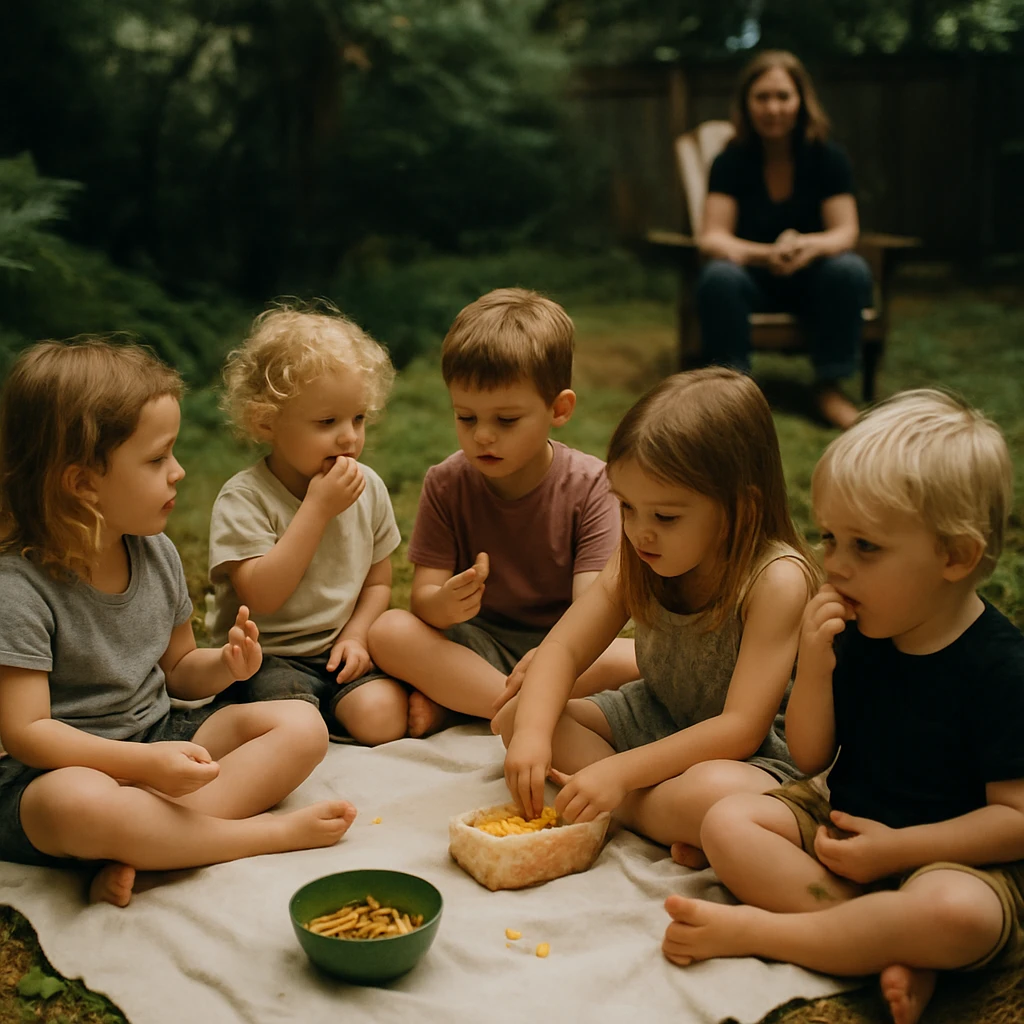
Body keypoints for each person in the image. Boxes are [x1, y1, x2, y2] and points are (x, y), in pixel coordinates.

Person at [663, 390, 1023, 1024]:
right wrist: (815, 666)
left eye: (866, 547)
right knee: (726, 824)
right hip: (845, 820)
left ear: (956, 557)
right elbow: (809, 755)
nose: (834, 565)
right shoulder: (859, 629)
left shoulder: (1001, 667)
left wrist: (899, 851)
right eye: (830, 538)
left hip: (955, 857)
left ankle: (764, 933)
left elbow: (1015, 820)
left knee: (956, 914)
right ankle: (883, 941)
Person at [0, 339, 355, 907]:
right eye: (156, 458)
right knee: (80, 803)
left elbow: (181, 672)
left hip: (160, 738)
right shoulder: (18, 590)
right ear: (83, 484)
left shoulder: (154, 552)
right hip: (57, 773)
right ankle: (245, 837)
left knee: (302, 726)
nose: (179, 472)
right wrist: (142, 765)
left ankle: (146, 841)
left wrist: (225, 666)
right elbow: (27, 733)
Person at [496, 368, 816, 862]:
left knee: (713, 794)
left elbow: (740, 728)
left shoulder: (775, 581)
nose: (640, 532)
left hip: (751, 756)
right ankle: (663, 820)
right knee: (518, 716)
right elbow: (564, 646)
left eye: (666, 516)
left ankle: (633, 810)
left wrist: (617, 776)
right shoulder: (637, 553)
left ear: (742, 509)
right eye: (626, 507)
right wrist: (535, 736)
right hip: (659, 716)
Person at [367, 287, 637, 738]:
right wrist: (444, 603)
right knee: (389, 631)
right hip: (478, 647)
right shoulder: (446, 482)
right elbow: (423, 600)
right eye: (466, 418)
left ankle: (470, 705)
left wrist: (552, 661)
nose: (483, 437)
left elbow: (592, 611)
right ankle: (526, 710)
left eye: (506, 420)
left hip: (568, 652)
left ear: (559, 409)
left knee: (638, 659)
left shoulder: (594, 486)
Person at [207, 303, 405, 746]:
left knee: (383, 720)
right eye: (327, 422)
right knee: (293, 722)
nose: (349, 437)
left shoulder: (367, 487)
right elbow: (263, 595)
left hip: (336, 649)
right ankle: (303, 722)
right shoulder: (245, 498)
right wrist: (316, 510)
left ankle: (331, 711)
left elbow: (377, 583)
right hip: (267, 656)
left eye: (358, 418)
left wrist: (356, 638)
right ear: (267, 422)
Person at [696, 50, 873, 431]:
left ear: (801, 102)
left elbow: (845, 232)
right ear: (746, 104)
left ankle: (829, 386)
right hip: (752, 280)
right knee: (718, 278)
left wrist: (808, 246)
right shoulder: (730, 162)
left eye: (782, 96)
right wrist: (766, 254)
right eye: (762, 97)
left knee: (849, 268)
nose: (772, 108)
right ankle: (733, 394)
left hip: (813, 280)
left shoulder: (828, 158)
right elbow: (712, 236)